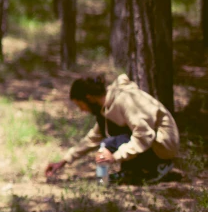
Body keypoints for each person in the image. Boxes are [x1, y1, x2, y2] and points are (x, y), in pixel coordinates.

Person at [45, 74, 180, 184]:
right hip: (150, 142)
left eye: (80, 105)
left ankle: (158, 165)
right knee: (107, 142)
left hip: (162, 147)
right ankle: (125, 173)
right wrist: (63, 161)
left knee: (108, 144)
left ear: (89, 98)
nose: (82, 110)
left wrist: (114, 157)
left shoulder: (125, 100)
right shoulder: (106, 107)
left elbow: (144, 136)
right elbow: (93, 139)